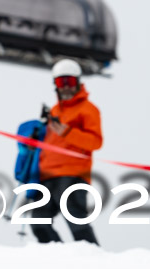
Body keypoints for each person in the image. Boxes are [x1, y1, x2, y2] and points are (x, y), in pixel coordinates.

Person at [30, 59, 103, 245]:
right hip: (46, 176)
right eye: (61, 82)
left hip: (73, 174)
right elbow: (49, 143)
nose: (66, 87)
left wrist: (67, 132)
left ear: (78, 81)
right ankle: (58, 259)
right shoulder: (54, 111)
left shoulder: (88, 109)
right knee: (38, 222)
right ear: (55, 85)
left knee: (76, 220)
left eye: (69, 81)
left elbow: (95, 142)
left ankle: (94, 260)